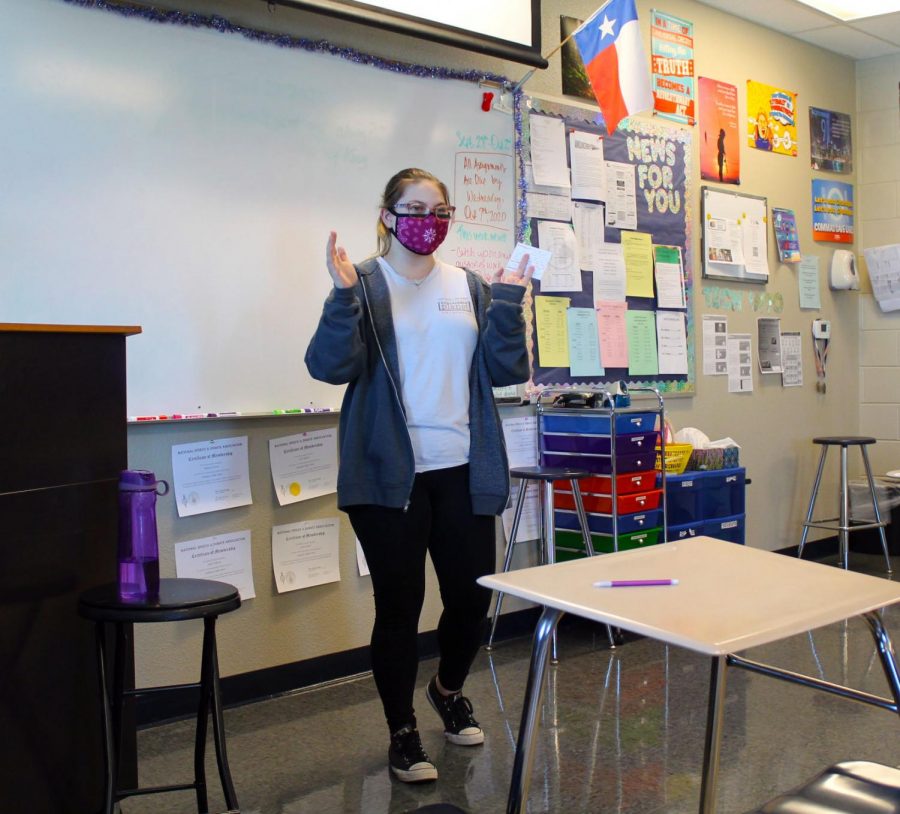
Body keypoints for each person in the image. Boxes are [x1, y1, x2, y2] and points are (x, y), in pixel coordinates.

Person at [305, 167, 533, 784]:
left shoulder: (471, 287)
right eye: (412, 210)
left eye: (438, 210)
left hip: (462, 469)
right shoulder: (366, 283)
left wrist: (510, 301)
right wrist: (340, 295)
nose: (426, 222)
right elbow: (329, 367)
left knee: (470, 598)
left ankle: (446, 687)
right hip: (389, 478)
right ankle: (402, 731)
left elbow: (507, 368)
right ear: (387, 217)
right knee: (399, 606)